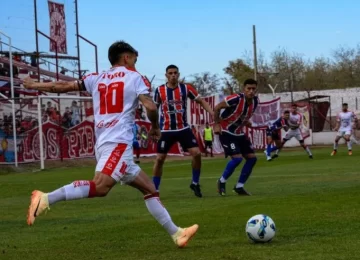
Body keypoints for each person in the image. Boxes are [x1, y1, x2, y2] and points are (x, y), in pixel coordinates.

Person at [23, 40, 198, 248]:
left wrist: (34, 85)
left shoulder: (95, 77)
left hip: (104, 142)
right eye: (134, 58)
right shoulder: (135, 78)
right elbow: (151, 107)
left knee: (150, 189)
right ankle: (45, 199)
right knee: (101, 187)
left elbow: (61, 86)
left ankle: (177, 233)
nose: (135, 62)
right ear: (126, 57)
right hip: (118, 144)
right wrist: (154, 126)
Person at [152, 65, 214, 198]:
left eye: (175, 73)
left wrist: (213, 113)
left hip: (183, 128)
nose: (173, 75)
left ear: (178, 74)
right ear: (166, 75)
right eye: (170, 73)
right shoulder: (160, 90)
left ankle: (195, 183)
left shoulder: (186, 88)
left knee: (197, 154)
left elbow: (201, 101)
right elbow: (154, 109)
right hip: (166, 130)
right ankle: (154, 190)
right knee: (159, 159)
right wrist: (154, 126)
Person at [214, 79, 259, 196]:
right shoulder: (236, 98)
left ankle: (239, 186)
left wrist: (246, 122)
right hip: (227, 131)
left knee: (252, 158)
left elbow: (242, 115)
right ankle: (221, 181)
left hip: (239, 133)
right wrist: (217, 124)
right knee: (237, 158)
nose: (251, 91)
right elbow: (217, 107)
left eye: (253, 89)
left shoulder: (255, 101)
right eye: (249, 88)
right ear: (244, 89)